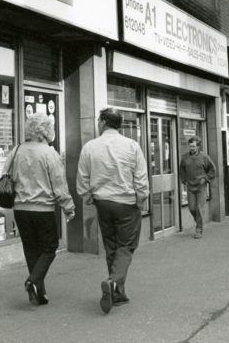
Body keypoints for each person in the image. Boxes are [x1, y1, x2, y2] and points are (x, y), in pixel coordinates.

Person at [76, 107, 149, 314]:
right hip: (126, 203)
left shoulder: (90, 147)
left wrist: (89, 197)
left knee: (111, 246)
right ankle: (113, 281)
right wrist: (141, 198)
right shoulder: (132, 146)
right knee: (126, 246)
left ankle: (117, 292)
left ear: (102, 122)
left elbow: (82, 178)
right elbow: (141, 177)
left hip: (103, 203)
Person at [5, 113, 74, 306]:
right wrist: (68, 207)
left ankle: (39, 293)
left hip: (20, 208)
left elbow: (5, 175)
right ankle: (33, 281)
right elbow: (59, 184)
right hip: (42, 209)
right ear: (46, 131)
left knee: (31, 248)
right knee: (49, 248)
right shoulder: (49, 153)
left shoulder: (16, 150)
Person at [178, 136, 216, 239]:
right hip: (190, 186)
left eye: (193, 146)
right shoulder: (185, 157)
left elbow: (212, 170)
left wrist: (206, 179)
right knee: (192, 208)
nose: (191, 148)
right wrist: (184, 180)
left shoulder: (204, 157)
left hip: (201, 186)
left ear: (198, 146)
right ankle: (200, 222)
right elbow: (182, 170)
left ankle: (199, 230)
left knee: (199, 208)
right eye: (190, 146)